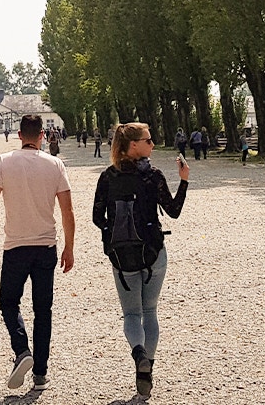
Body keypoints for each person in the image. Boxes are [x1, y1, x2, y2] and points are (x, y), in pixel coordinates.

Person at [0, 113, 76, 394]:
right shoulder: (55, 164)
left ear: (20, 135)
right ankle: (41, 374)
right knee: (43, 310)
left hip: (16, 246)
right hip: (46, 246)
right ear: (43, 136)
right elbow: (67, 210)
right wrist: (69, 246)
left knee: (8, 302)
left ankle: (22, 350)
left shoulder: (3, 162)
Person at [94, 122, 188, 399]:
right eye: (148, 140)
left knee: (132, 314)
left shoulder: (108, 177)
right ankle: (147, 369)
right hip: (153, 253)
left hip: (121, 256)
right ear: (133, 145)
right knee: (150, 311)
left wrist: (114, 232)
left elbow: (97, 217)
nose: (153, 144)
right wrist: (184, 180)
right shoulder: (152, 176)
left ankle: (138, 354)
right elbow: (173, 211)